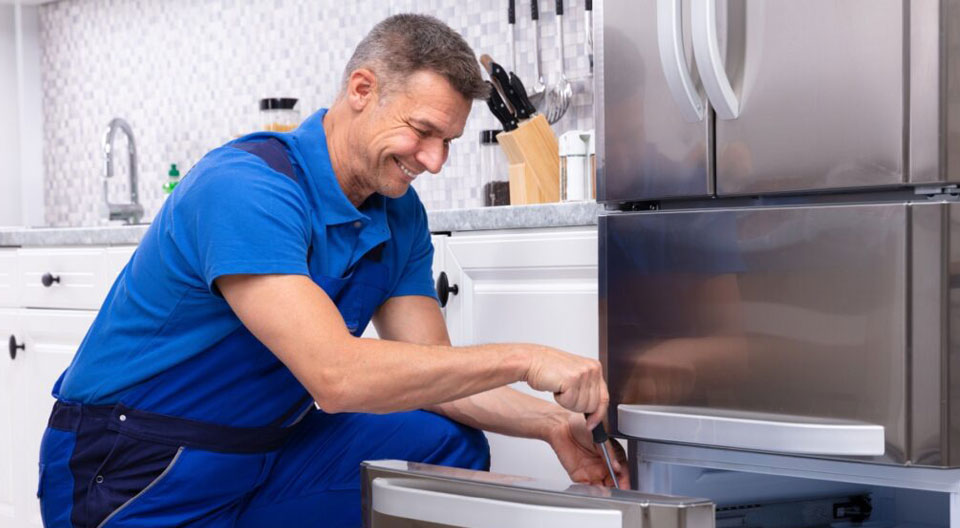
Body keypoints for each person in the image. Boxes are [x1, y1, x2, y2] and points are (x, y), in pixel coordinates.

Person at [37, 13, 627, 528]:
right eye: (423, 132)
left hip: (265, 454)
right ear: (362, 89)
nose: (436, 161)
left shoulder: (398, 216)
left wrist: (549, 423)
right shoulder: (245, 189)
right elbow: (336, 378)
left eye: (448, 140)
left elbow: (437, 377)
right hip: (136, 463)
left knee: (440, 445)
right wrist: (525, 358)